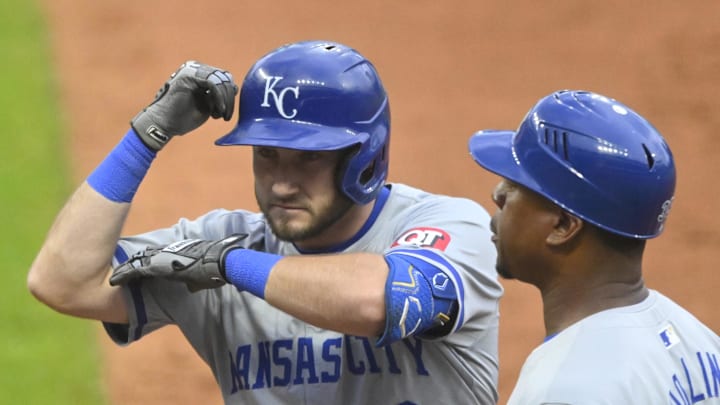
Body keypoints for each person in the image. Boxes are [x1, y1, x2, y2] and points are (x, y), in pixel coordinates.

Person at [28, 40, 503, 404]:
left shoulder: (447, 226)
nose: (280, 184)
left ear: (365, 156)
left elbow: (383, 301)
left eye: (307, 160)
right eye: (267, 156)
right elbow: (61, 282)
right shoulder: (218, 245)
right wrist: (145, 137)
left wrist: (230, 266)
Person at [468, 89, 720, 404]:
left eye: (516, 185)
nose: (497, 194)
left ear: (563, 225)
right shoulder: (699, 343)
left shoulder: (567, 387)